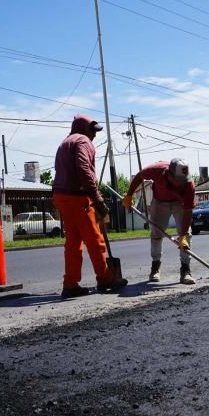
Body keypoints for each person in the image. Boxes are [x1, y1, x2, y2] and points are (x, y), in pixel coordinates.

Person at [52, 114, 128, 298]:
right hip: (78, 198)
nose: (95, 135)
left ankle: (70, 284)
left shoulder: (65, 142)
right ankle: (105, 280)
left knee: (73, 242)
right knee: (95, 240)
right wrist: (97, 197)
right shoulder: (83, 141)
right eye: (93, 130)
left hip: (61, 197)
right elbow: (84, 168)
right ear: (86, 129)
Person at [123, 159, 197, 285]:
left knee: (186, 235)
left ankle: (185, 270)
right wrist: (129, 195)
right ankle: (155, 267)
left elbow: (188, 212)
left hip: (179, 203)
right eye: (179, 180)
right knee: (156, 234)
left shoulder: (188, 184)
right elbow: (139, 176)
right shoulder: (156, 170)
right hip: (159, 202)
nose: (182, 183)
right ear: (169, 175)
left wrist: (183, 235)